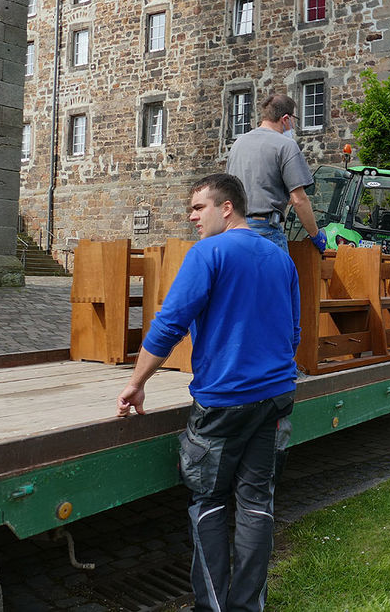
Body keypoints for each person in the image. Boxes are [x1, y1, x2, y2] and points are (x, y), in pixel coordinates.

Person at [116, 173, 300, 612]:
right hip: (275, 398)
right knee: (257, 502)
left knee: (210, 503)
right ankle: (247, 606)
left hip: (222, 403)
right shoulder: (280, 259)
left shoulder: (208, 254)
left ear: (227, 207)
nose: (192, 216)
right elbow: (293, 332)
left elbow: (168, 325)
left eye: (199, 207)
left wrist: (136, 383)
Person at [225, 93, 326, 254]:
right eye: (294, 120)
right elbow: (299, 200)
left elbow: (233, 190)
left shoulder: (238, 144)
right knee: (278, 279)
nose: (293, 125)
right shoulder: (286, 145)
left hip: (234, 230)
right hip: (266, 230)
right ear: (285, 118)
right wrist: (316, 235)